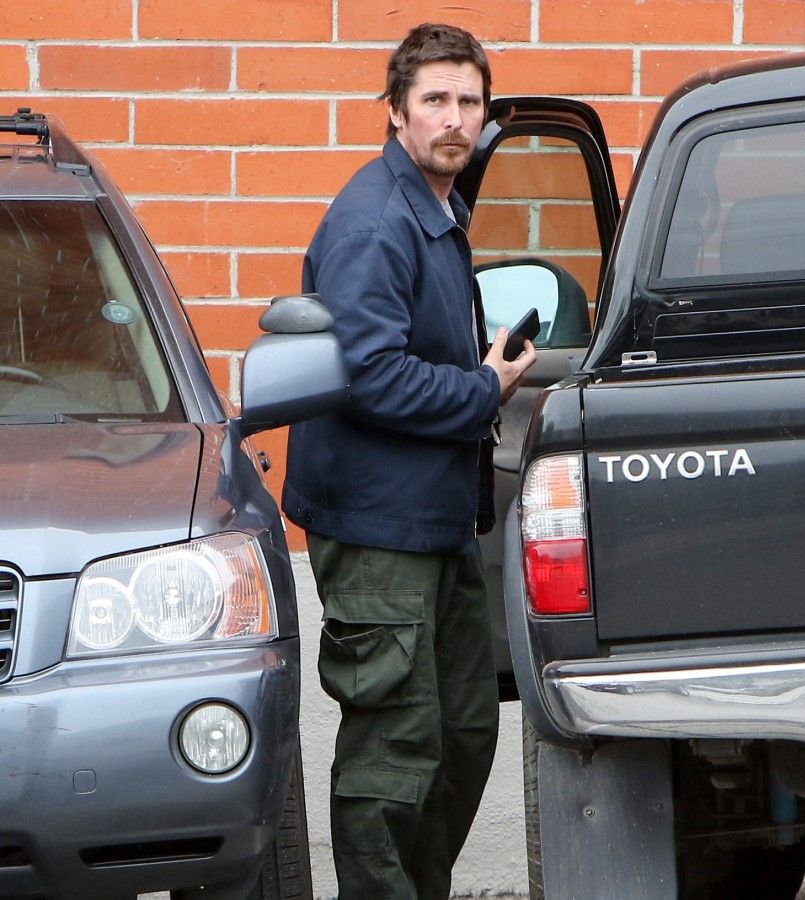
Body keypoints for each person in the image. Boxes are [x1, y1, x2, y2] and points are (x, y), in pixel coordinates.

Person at [281, 22, 536, 900]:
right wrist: (483, 389)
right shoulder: (375, 221)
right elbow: (368, 377)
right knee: (395, 747)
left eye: (469, 102)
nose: (455, 119)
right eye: (435, 100)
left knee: (465, 731)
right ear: (395, 113)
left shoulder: (434, 209)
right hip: (376, 527)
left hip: (434, 522)